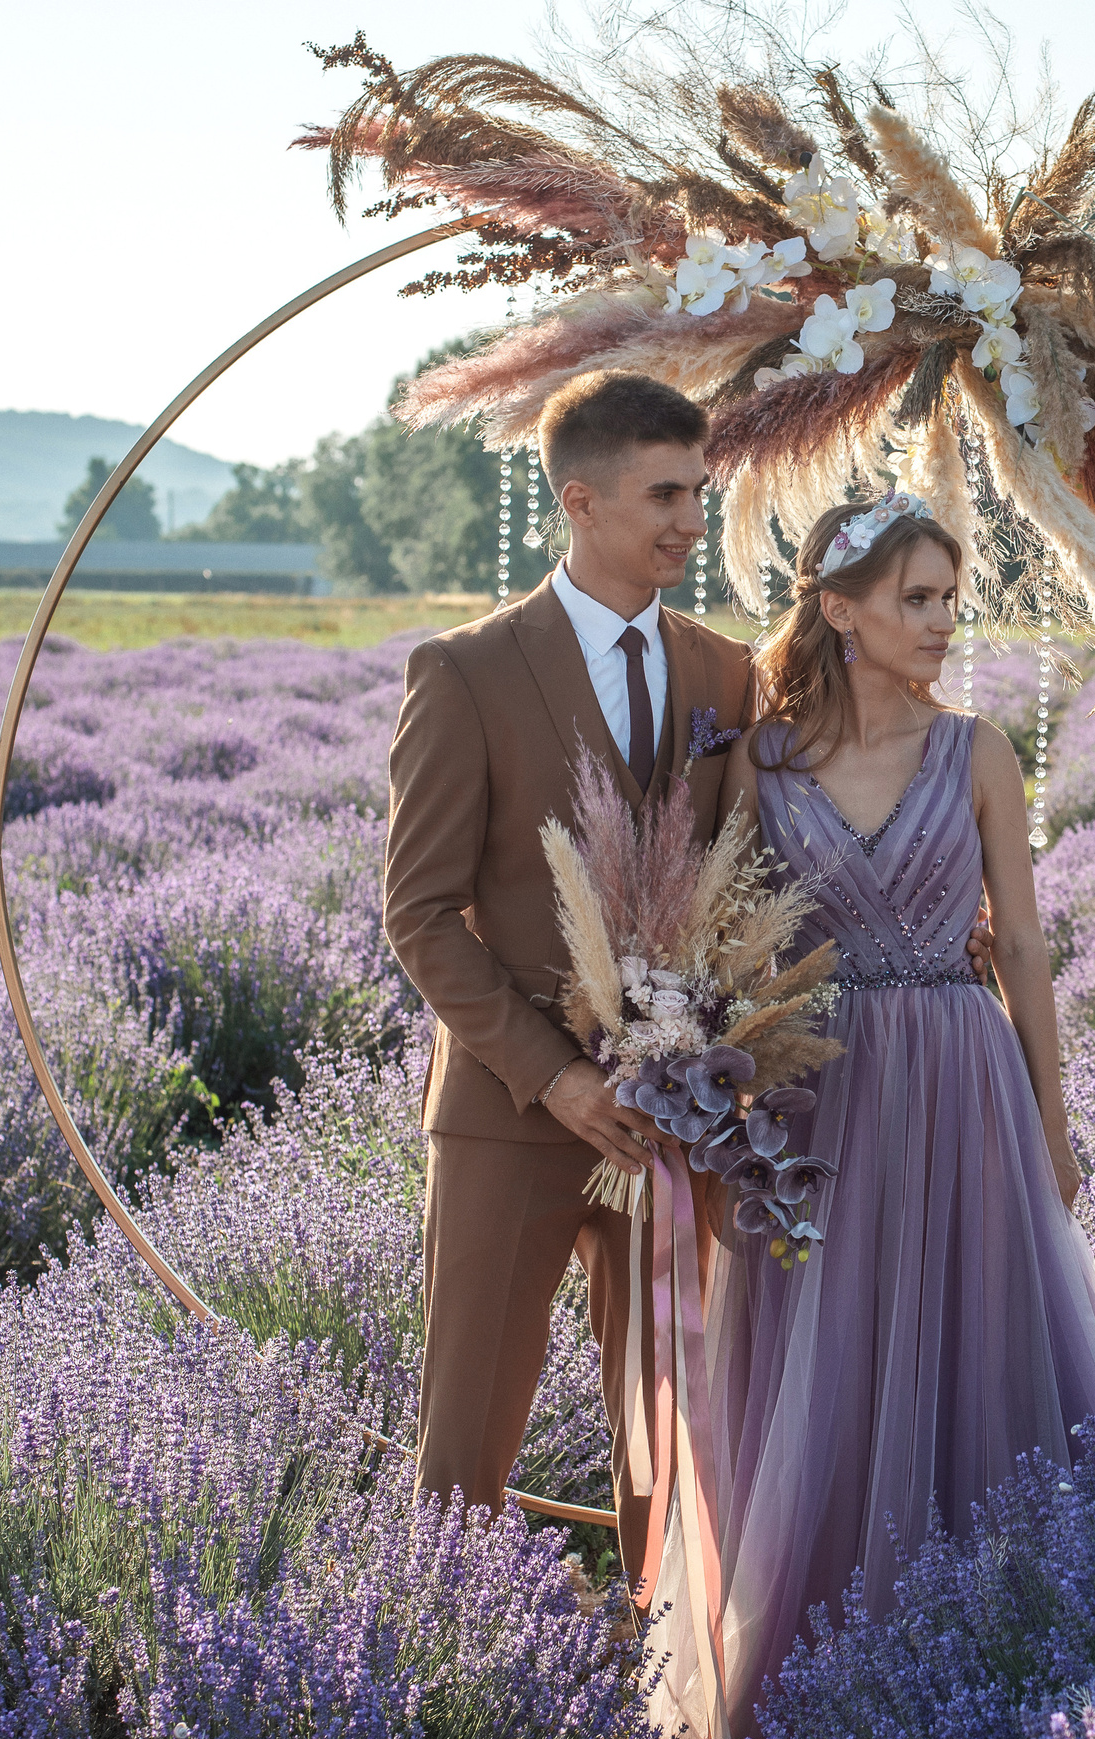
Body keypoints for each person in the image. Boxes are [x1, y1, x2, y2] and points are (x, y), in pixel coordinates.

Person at [702, 492, 1095, 1735]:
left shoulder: (981, 750)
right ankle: (823, 1668)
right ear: (838, 611)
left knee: (976, 1341)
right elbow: (724, 951)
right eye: (917, 598)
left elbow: (1029, 953)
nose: (946, 620)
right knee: (828, 1356)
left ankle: (999, 1663)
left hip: (963, 1077)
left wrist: (1052, 1122)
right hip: (816, 1096)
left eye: (952, 596)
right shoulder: (763, 762)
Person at [381, 369, 758, 1578]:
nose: (690, 521)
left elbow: (750, 874)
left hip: (673, 1128)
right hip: (507, 1114)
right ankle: (443, 1672)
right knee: (466, 1438)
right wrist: (553, 1078)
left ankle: (662, 1669)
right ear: (579, 499)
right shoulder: (466, 671)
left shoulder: (725, 676)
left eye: (698, 492)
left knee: (669, 1431)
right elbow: (421, 912)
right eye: (665, 494)